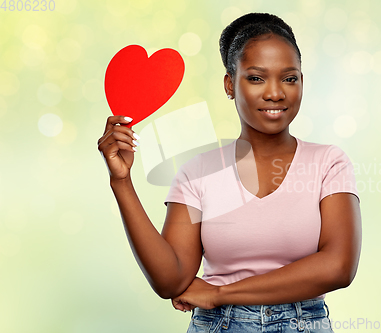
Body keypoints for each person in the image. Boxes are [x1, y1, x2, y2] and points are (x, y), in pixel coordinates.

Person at [97, 12, 361, 333]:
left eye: (289, 78)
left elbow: (339, 267)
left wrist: (220, 293)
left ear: (301, 82)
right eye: (256, 78)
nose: (275, 93)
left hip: (302, 322)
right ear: (229, 84)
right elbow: (172, 280)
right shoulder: (197, 173)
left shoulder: (328, 163)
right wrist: (121, 181)